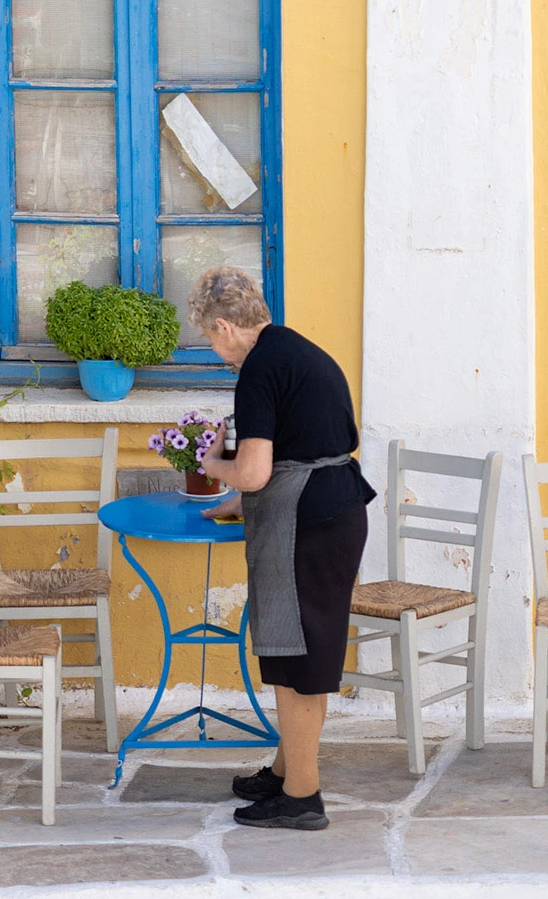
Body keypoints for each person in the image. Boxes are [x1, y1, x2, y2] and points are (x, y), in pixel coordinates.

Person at [190, 266, 372, 831]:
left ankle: (303, 797)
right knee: (300, 654)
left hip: (308, 526)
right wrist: (235, 503)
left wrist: (212, 466)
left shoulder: (258, 369)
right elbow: (300, 444)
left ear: (224, 325)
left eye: (211, 341)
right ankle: (285, 772)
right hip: (332, 512)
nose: (218, 354)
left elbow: (253, 469)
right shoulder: (290, 349)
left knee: (296, 662)